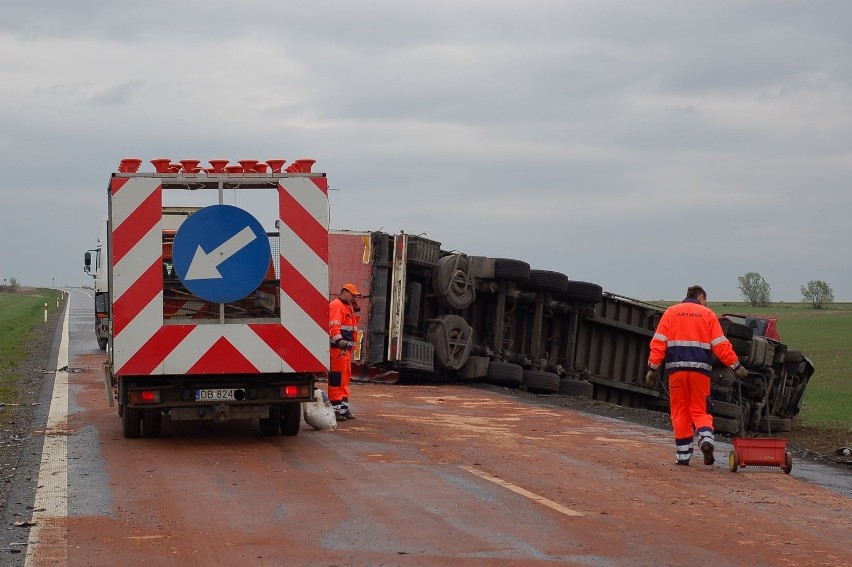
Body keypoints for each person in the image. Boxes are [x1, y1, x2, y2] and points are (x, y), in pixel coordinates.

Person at [646, 285, 748, 466]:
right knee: (700, 409)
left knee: (680, 411)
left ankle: (683, 456)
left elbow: (659, 343)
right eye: (705, 301)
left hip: (676, 372)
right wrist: (736, 365)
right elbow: (720, 344)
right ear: (701, 297)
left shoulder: (670, 313)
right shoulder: (707, 314)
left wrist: (652, 369)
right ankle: (706, 440)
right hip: (699, 372)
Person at [328, 283, 362, 421]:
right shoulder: (337, 306)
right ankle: (335, 410)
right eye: (353, 295)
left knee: (345, 377)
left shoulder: (347, 306)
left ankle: (343, 408)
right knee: (337, 378)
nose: (355, 297)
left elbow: (353, 325)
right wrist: (339, 341)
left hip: (345, 349)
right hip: (338, 349)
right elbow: (334, 326)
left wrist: (356, 308)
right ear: (345, 293)